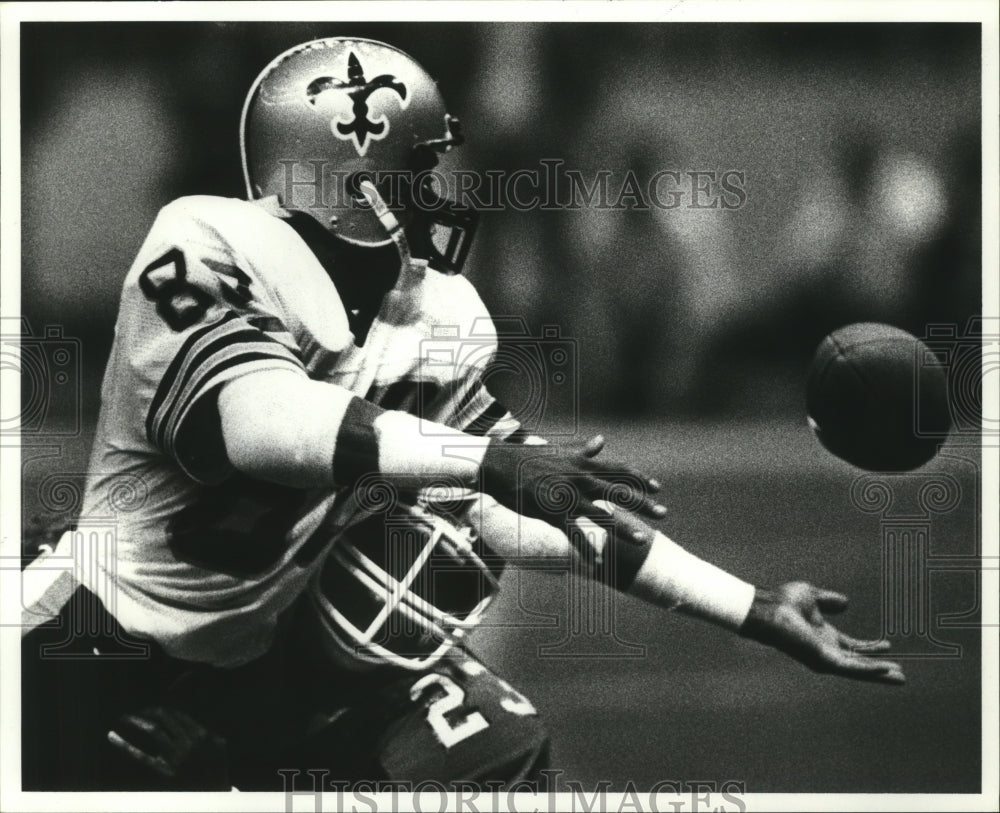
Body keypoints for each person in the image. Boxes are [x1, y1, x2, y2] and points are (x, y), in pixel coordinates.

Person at [20, 37, 904, 792]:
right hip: (83, 639)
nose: (444, 189)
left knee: (482, 740)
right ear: (346, 182)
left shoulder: (435, 314)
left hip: (245, 667)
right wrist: (486, 461)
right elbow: (257, 422)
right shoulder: (206, 242)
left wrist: (751, 606)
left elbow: (526, 516)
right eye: (419, 169)